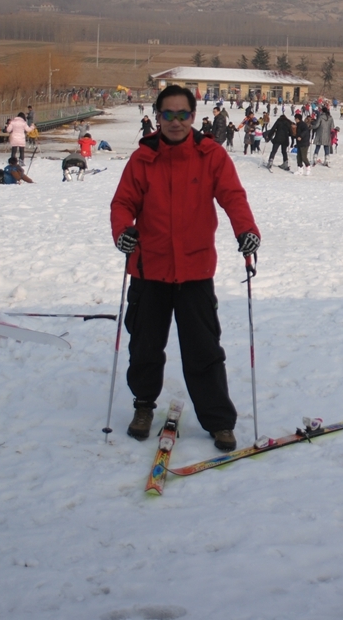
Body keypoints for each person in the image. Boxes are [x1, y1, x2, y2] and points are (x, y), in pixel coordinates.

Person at [110, 85, 260, 451]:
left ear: (193, 117)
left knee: (203, 350)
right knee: (145, 347)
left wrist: (246, 230)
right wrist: (122, 233)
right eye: (167, 114)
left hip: (195, 270)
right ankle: (143, 406)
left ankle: (219, 422)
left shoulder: (210, 155)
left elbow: (232, 196)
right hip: (149, 269)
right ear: (157, 117)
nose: (175, 122)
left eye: (182, 115)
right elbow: (122, 203)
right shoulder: (142, 159)